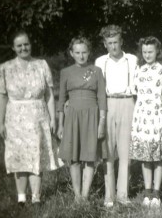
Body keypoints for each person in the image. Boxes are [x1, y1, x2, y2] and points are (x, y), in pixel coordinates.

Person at [0, 30, 62, 205]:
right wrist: (0, 122)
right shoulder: (6, 68)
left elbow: (49, 94)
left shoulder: (41, 64)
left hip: (38, 117)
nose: (23, 48)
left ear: (30, 45)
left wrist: (53, 118)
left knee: (36, 156)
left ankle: (36, 197)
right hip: (15, 120)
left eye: (26, 44)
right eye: (19, 45)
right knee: (19, 156)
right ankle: (21, 197)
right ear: (13, 48)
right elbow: (2, 96)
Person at [57, 36, 107, 203]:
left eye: (84, 52)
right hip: (72, 118)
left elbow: (102, 98)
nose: (81, 55)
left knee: (89, 156)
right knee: (74, 157)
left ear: (89, 52)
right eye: (77, 52)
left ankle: (85, 195)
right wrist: (60, 125)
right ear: (71, 53)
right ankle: (77, 195)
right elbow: (61, 100)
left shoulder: (96, 71)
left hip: (91, 116)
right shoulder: (66, 72)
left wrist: (101, 123)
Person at [95, 25, 137, 207]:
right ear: (105, 44)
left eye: (116, 42)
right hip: (107, 104)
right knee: (108, 152)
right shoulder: (100, 62)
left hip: (128, 102)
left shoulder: (132, 60)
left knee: (125, 151)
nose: (113, 46)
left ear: (121, 42)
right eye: (110, 43)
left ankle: (123, 195)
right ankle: (109, 195)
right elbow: (97, 90)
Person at [129, 36, 162, 208]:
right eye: (145, 52)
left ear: (157, 52)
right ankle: (147, 192)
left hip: (158, 119)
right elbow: (135, 96)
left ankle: (157, 193)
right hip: (141, 119)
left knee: (158, 157)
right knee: (145, 158)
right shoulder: (138, 71)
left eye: (151, 51)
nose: (147, 55)